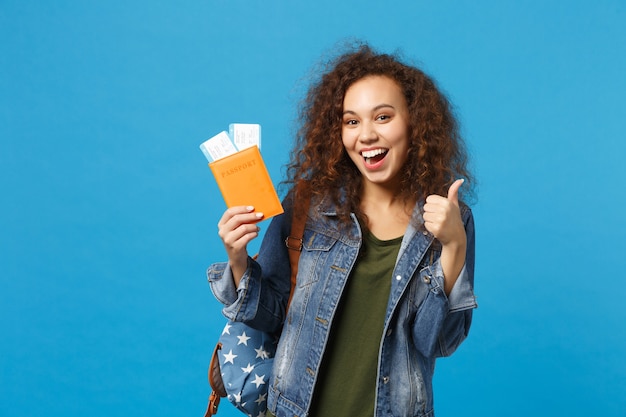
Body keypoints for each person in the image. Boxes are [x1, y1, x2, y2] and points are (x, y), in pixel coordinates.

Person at [208, 43, 477, 417]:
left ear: (414, 122)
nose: (365, 135)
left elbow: (437, 342)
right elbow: (270, 315)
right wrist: (237, 259)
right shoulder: (307, 205)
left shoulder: (449, 218)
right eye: (351, 121)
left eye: (382, 117)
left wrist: (453, 249)